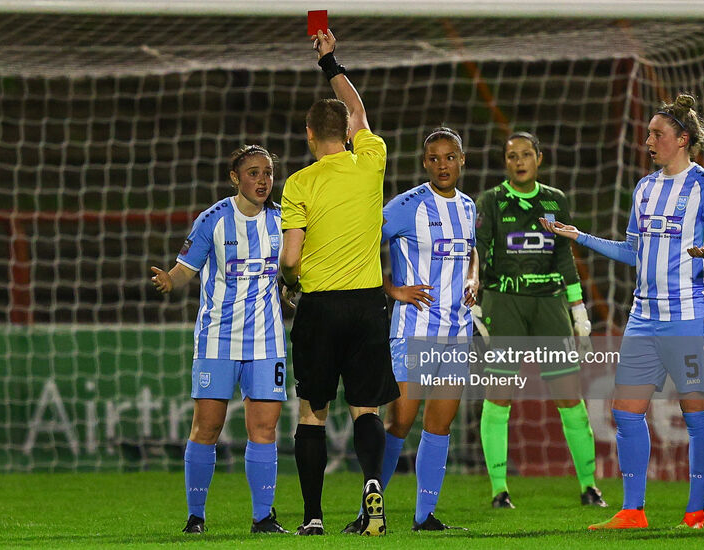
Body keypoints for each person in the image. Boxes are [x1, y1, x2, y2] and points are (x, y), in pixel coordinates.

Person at [541, 93, 704, 530]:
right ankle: (632, 511)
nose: (648, 140)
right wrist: (580, 236)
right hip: (644, 317)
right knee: (626, 411)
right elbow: (632, 251)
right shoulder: (644, 189)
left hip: (691, 314)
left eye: (657, 134)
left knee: (695, 411)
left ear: (682, 140)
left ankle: (695, 513)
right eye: (648, 133)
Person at [279, 29, 399, 536]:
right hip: (369, 305)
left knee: (312, 412)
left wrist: (291, 282)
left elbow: (290, 257)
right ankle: (372, 487)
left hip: (322, 306)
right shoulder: (371, 162)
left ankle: (312, 516)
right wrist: (331, 62)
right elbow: (360, 108)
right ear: (347, 131)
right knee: (365, 408)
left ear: (310, 135)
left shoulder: (299, 182)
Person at [342, 127, 478, 532]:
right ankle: (368, 512)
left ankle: (424, 518)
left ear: (462, 160)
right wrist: (392, 289)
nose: (442, 165)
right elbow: (357, 244)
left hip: (457, 332)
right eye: (434, 159)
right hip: (412, 331)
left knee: (439, 426)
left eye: (449, 157)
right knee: (400, 421)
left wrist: (473, 279)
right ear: (425, 164)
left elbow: (471, 251)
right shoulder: (406, 206)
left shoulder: (469, 207)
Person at [150, 145, 289, 535]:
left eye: (267, 173)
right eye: (253, 173)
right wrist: (168, 281)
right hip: (217, 340)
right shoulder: (212, 220)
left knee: (263, 430)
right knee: (206, 428)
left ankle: (263, 517)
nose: (262, 180)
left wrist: (293, 287)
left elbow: (293, 269)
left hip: (267, 342)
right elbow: (184, 270)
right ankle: (196, 517)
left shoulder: (282, 221)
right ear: (235, 177)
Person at [475, 131, 606, 509]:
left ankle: (589, 486)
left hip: (550, 307)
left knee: (570, 398)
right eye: (512, 155)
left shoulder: (555, 201)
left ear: (539, 158)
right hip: (505, 304)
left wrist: (577, 308)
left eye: (526, 154)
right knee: (499, 399)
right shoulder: (492, 201)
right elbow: (478, 254)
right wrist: (475, 302)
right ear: (505, 162)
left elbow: (564, 256)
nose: (519, 161)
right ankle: (499, 490)